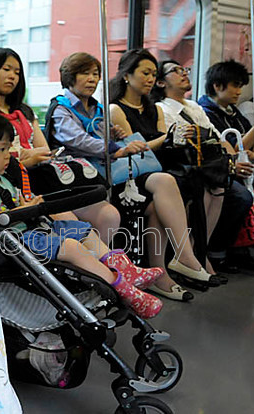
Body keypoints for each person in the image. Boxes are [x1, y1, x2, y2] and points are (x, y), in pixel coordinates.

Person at [0, 112, 163, 319]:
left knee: (84, 232)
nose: (8, 155)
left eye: (8, 147)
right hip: (17, 241)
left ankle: (126, 269)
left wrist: (30, 205)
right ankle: (121, 288)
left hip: (33, 229)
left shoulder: (4, 178)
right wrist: (25, 209)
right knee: (72, 247)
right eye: (1, 149)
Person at [47, 52, 209, 302]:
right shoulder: (62, 109)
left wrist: (114, 136)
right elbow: (78, 140)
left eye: (96, 74)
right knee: (164, 183)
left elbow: (103, 139)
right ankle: (110, 274)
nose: (92, 79)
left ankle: (174, 264)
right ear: (70, 77)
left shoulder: (98, 108)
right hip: (82, 180)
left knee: (162, 195)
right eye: (85, 74)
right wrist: (116, 148)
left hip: (106, 173)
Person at [0, 48, 123, 242]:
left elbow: (45, 150)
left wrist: (31, 155)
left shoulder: (25, 112)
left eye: (17, 72)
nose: (12, 77)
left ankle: (106, 263)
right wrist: (27, 159)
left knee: (109, 215)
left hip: (45, 176)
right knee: (70, 221)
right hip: (17, 183)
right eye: (6, 69)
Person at [110, 50, 226, 286]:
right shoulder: (116, 110)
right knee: (165, 181)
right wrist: (168, 138)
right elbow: (134, 148)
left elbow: (164, 141)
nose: (150, 79)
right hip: (131, 174)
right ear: (126, 75)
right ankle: (185, 256)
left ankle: (165, 271)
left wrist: (178, 137)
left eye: (153, 74)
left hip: (156, 171)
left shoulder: (155, 109)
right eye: (145, 73)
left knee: (193, 187)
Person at [152, 59, 252, 275]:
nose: (183, 73)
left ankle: (201, 250)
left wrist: (232, 161)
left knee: (221, 185)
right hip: (187, 166)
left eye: (184, 69)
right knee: (234, 193)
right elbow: (178, 146)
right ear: (160, 82)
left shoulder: (194, 107)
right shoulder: (162, 109)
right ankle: (200, 252)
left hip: (210, 164)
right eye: (176, 71)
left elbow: (217, 139)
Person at [198, 60, 254, 196]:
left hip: (253, 163)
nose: (239, 92)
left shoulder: (231, 111)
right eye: (235, 86)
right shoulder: (206, 114)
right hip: (234, 171)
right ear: (217, 86)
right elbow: (237, 149)